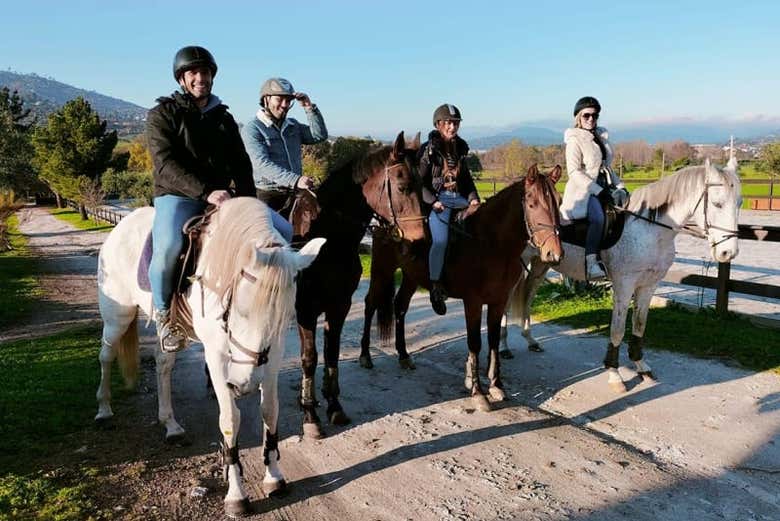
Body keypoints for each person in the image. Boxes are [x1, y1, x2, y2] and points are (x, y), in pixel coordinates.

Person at [146, 45, 257, 352]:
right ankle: (165, 315)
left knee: (280, 232)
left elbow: (241, 163)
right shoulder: (162, 114)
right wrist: (205, 191)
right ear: (182, 78)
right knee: (168, 246)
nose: (200, 78)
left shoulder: (223, 117)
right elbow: (165, 164)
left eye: (205, 72)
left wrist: (250, 203)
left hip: (220, 198)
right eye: (193, 73)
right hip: (177, 195)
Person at [242, 77, 328, 235]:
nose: (284, 105)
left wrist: (309, 107)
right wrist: (295, 180)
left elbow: (319, 135)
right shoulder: (252, 129)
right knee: (267, 240)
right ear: (266, 99)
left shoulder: (293, 126)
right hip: (268, 194)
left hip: (296, 192)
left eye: (288, 101)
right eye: (279, 99)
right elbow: (262, 164)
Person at [420, 103, 480, 315]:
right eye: (448, 123)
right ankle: (435, 285)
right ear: (438, 124)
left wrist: (473, 199)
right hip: (439, 200)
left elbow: (466, 179)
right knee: (441, 241)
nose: (452, 127)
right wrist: (432, 202)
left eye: (455, 123)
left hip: (459, 197)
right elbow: (420, 182)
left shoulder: (461, 148)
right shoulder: (428, 150)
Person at [560, 96, 629, 281]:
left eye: (595, 115)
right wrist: (598, 191)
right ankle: (591, 262)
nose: (591, 119)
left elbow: (606, 167)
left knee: (628, 212)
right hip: (583, 191)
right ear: (578, 117)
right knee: (598, 218)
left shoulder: (600, 137)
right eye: (587, 115)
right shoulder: (575, 140)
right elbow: (574, 172)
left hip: (605, 186)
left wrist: (621, 187)